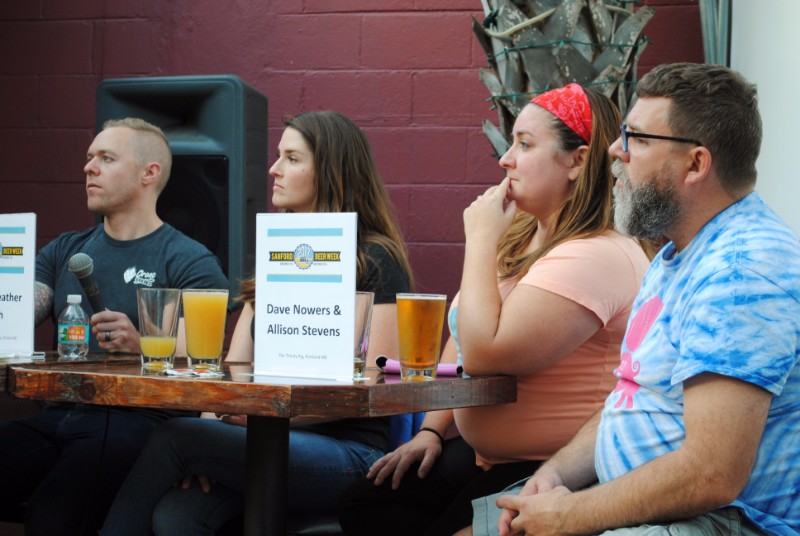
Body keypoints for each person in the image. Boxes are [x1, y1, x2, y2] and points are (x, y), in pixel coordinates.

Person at [470, 62, 800, 536]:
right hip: (642, 500)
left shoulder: (742, 268)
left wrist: (571, 515)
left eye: (637, 139)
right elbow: (634, 396)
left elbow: (713, 474)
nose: (613, 151)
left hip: (724, 520)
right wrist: (554, 476)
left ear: (695, 164)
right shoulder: (677, 254)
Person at [337, 84, 651, 536]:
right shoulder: (524, 234)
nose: (505, 160)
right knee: (367, 502)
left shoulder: (595, 253)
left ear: (577, 161)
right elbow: (463, 334)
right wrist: (429, 431)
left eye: (524, 144)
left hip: (560, 467)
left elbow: (485, 355)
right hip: (488, 454)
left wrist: (480, 239)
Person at [100, 110, 413, 535]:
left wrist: (238, 425)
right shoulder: (275, 254)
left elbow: (375, 382)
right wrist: (215, 426)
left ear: (332, 171)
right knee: (176, 513)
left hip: (348, 451)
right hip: (260, 435)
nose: (274, 168)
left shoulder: (375, 259)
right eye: (278, 156)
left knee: (176, 438)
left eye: (291, 158)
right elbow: (232, 371)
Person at [0, 117, 229, 536]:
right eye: (89, 158)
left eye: (106, 158)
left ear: (149, 173)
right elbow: (20, 309)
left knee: (54, 515)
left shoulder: (189, 260)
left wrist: (140, 342)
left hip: (136, 426)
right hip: (58, 416)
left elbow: (203, 356)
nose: (89, 167)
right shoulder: (66, 250)